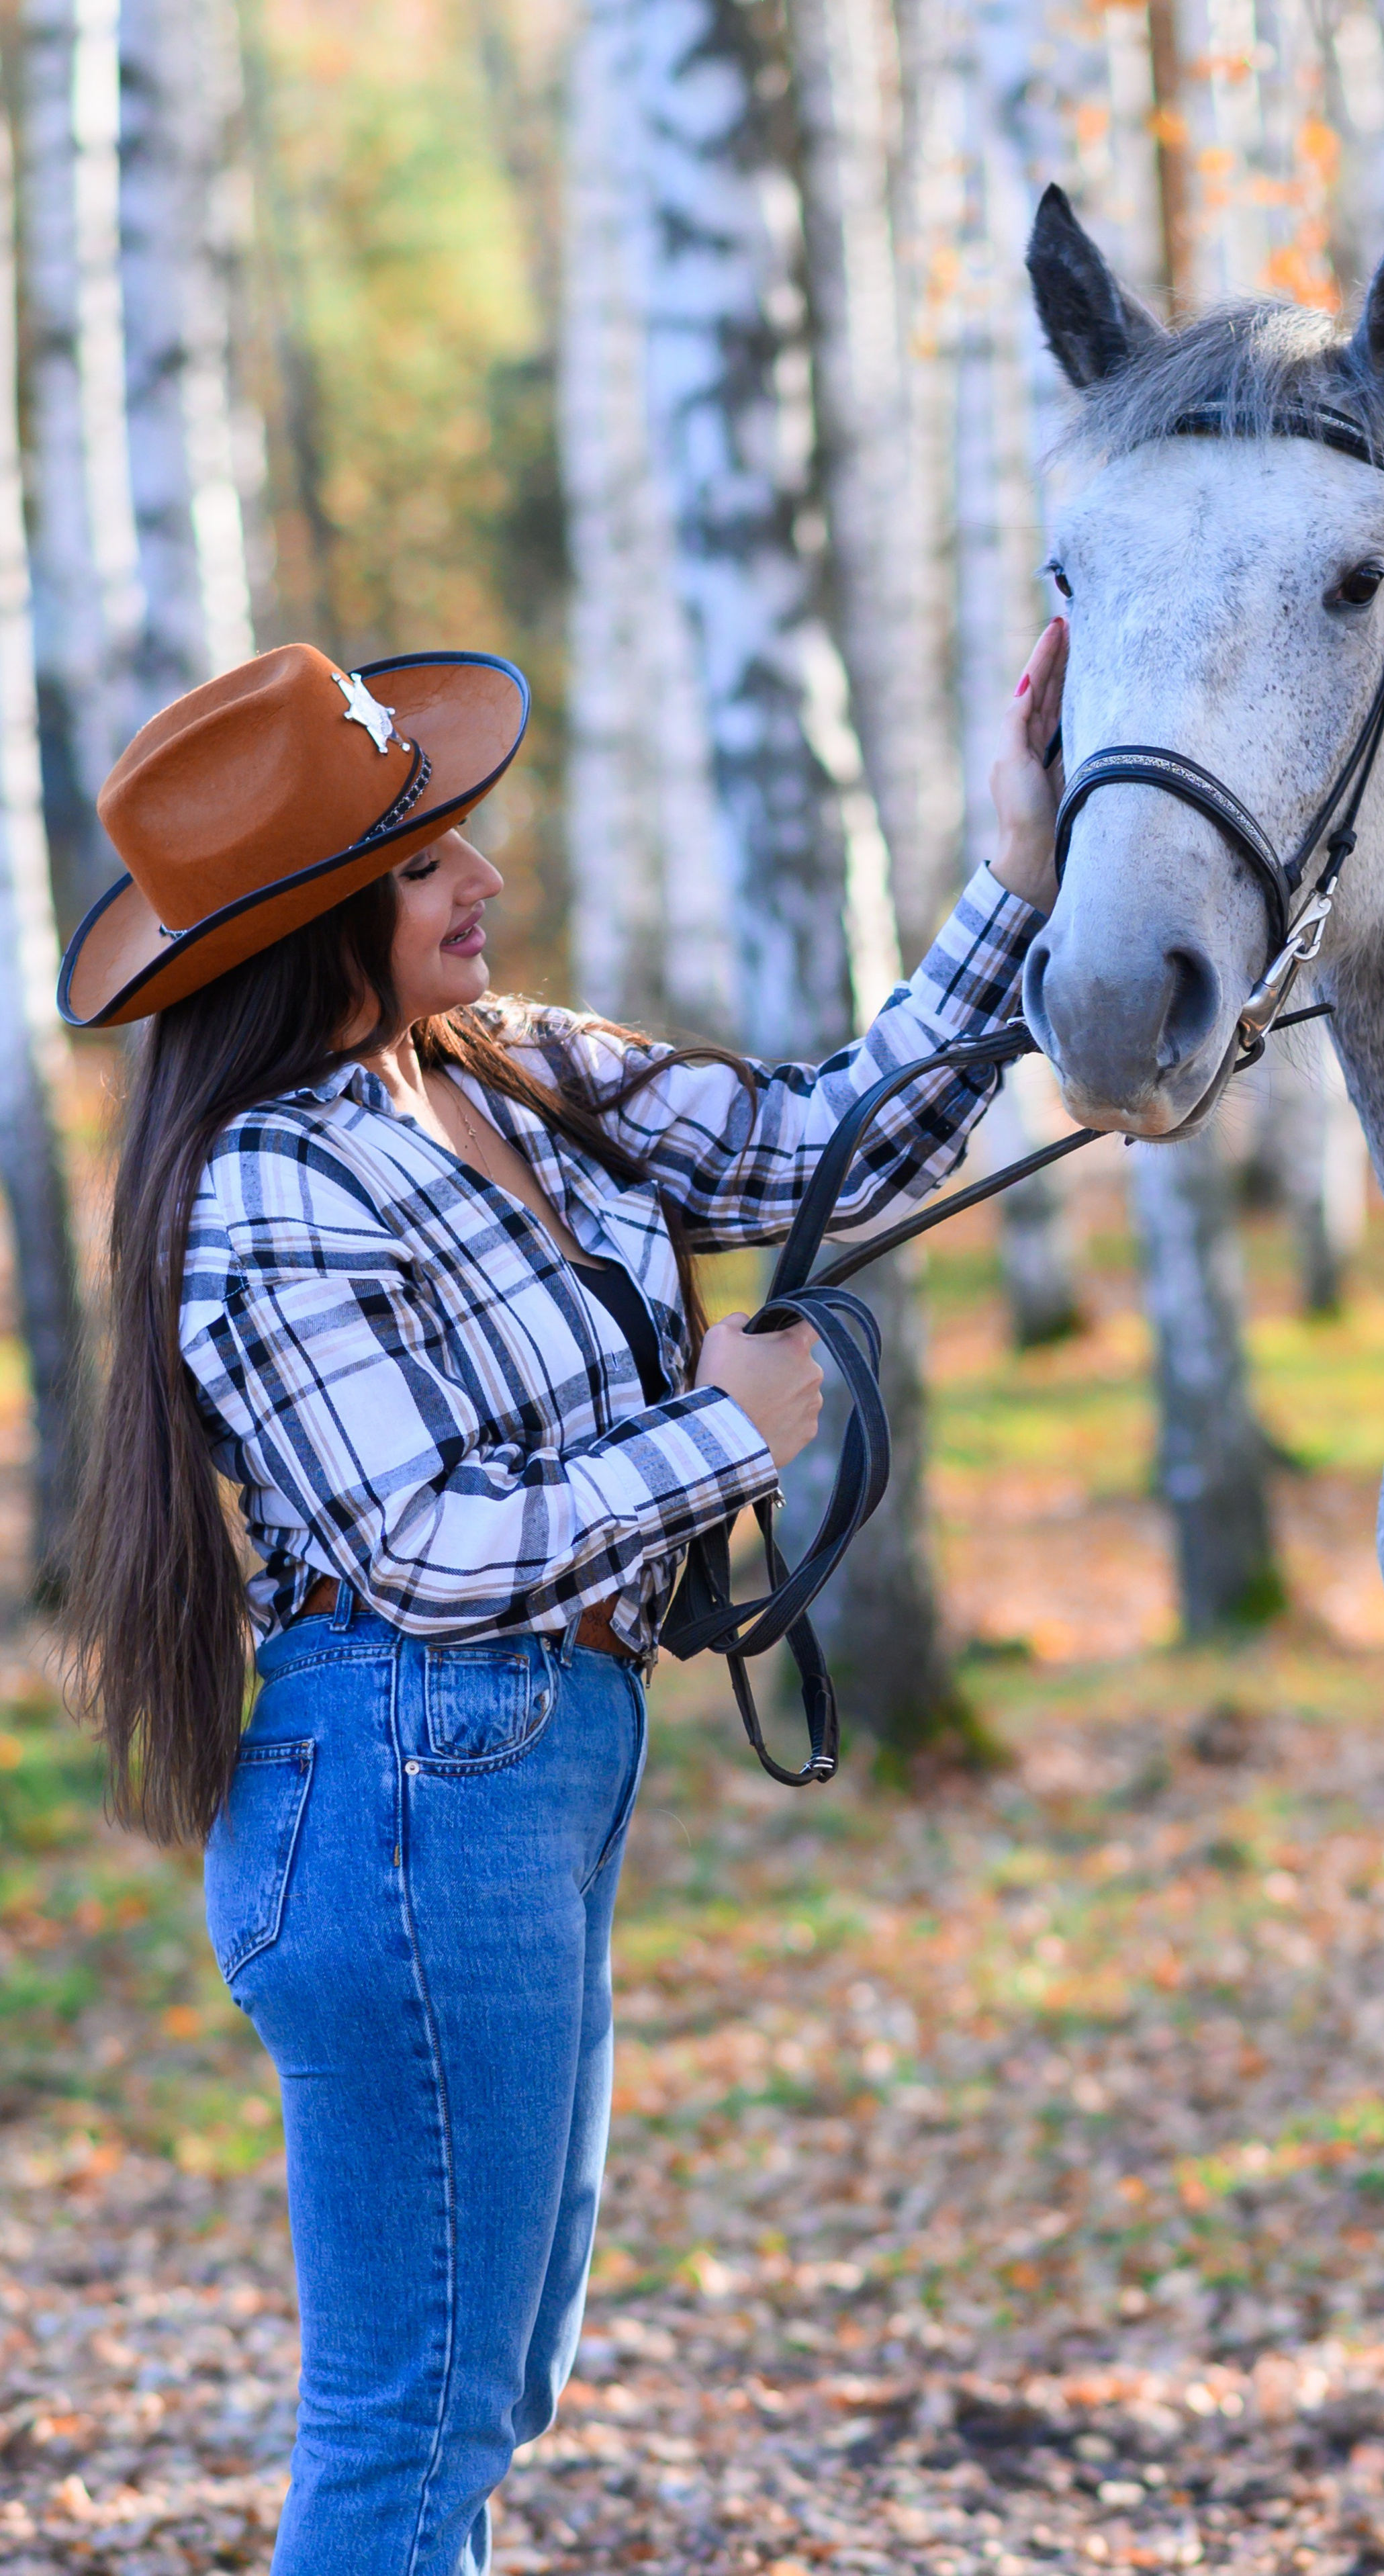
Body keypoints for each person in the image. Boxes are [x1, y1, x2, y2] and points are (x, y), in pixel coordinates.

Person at [61, 619, 1068, 2576]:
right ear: (315, 917)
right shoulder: (269, 1187)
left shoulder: (515, 1076)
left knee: (487, 2393)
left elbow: (816, 1142)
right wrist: (725, 1439)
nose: (483, 878)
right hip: (404, 1789)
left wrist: (1018, 881)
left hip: (517, 1779)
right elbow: (417, 1544)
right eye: (427, 859)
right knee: (410, 2424)